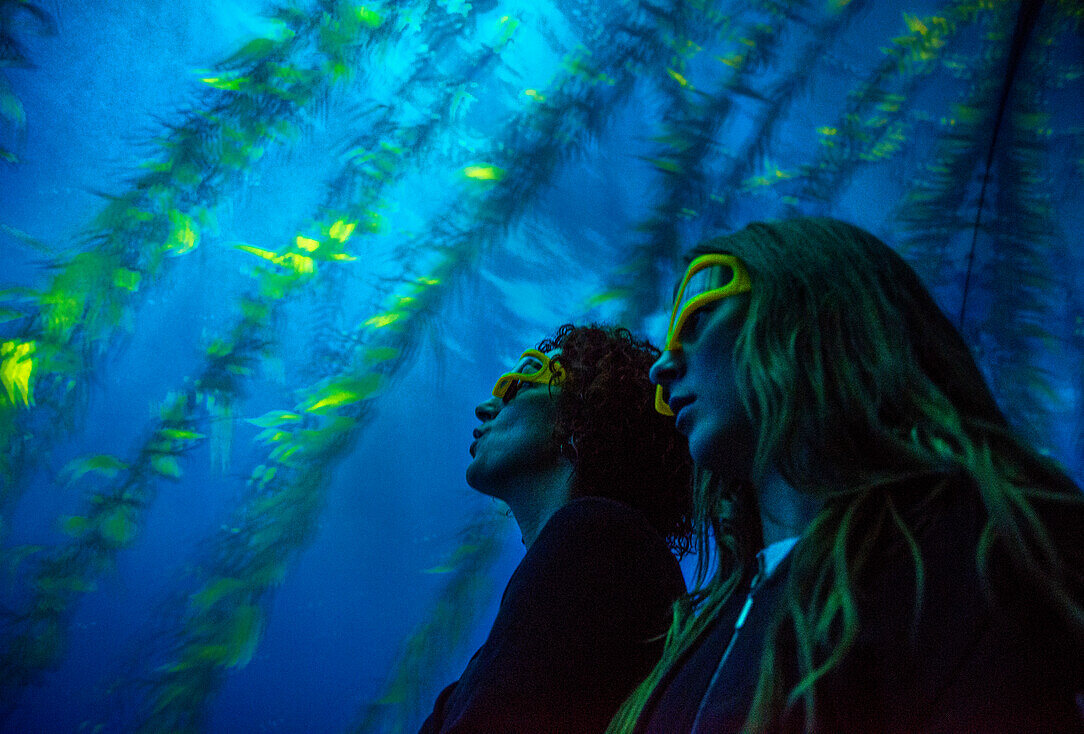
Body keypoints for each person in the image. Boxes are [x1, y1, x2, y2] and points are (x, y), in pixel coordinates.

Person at [610, 218, 1084, 732]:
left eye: (696, 319)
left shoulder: (978, 544)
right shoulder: (705, 622)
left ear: (816, 308)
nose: (661, 366)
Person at [419, 324, 694, 734]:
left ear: (585, 406)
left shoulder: (599, 541)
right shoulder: (605, 557)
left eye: (522, 380)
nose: (486, 406)